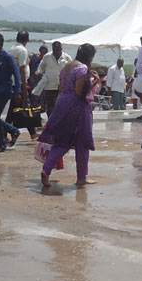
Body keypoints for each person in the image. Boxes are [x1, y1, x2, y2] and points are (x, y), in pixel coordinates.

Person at [38, 43, 100, 188]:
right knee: (82, 143)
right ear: (89, 56)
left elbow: (62, 87)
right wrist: (96, 82)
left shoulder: (67, 66)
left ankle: (46, 170)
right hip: (77, 107)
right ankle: (81, 177)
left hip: (62, 103)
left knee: (63, 141)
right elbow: (80, 92)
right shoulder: (82, 69)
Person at [6, 30, 39, 139]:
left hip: (12, 82)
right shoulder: (22, 51)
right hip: (19, 83)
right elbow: (22, 69)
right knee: (16, 108)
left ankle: (32, 132)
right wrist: (24, 88)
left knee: (24, 107)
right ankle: (6, 131)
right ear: (27, 40)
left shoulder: (11, 49)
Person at [36, 41, 72, 113]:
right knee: (50, 107)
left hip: (63, 87)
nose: (57, 52)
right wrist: (41, 75)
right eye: (55, 50)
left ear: (61, 49)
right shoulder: (47, 57)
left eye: (58, 50)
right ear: (52, 49)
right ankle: (51, 123)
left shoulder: (67, 58)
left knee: (62, 107)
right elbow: (40, 69)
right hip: (50, 86)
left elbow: (72, 71)